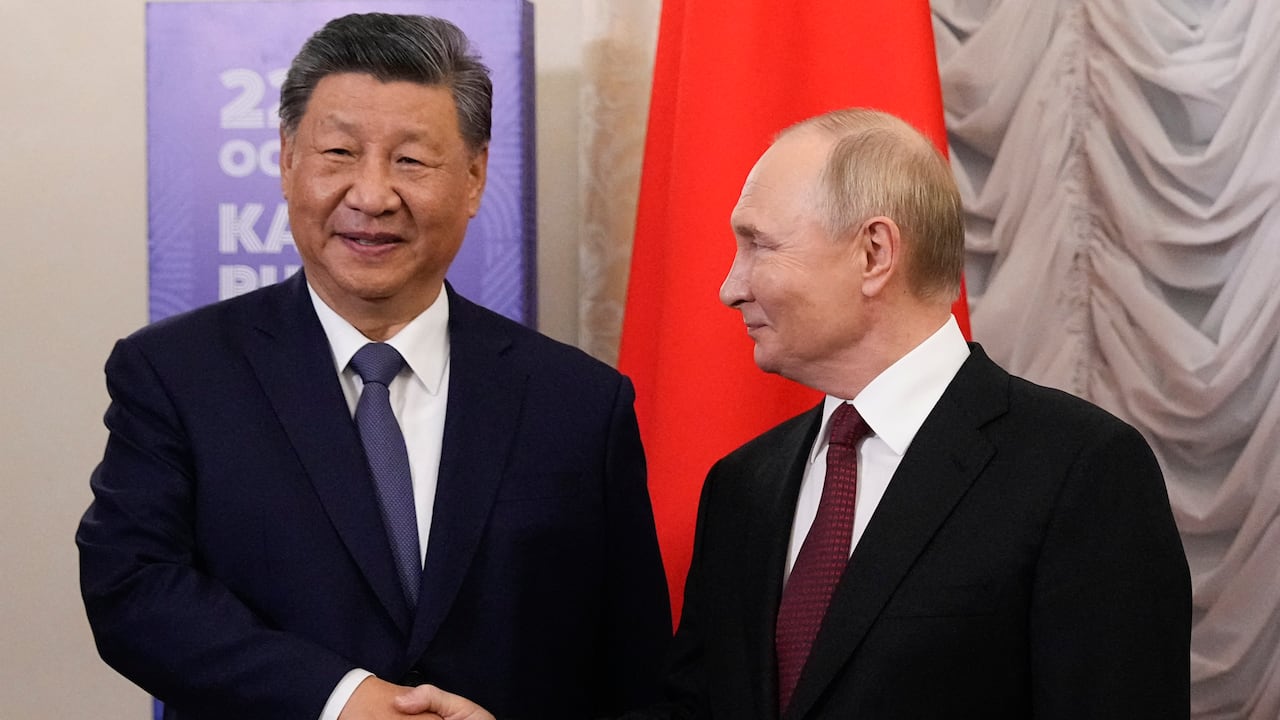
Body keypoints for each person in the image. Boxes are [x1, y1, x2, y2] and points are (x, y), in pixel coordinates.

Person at [403, 107, 1194, 719]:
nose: (729, 286)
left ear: (875, 253)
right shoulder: (746, 485)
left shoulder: (1079, 471)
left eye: (759, 246)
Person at [76, 13, 670, 720]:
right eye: (339, 153)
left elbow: (635, 673)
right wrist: (342, 698)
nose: (372, 195)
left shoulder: (578, 403)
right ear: (287, 160)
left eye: (412, 160)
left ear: (476, 176)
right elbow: (133, 591)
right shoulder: (176, 374)